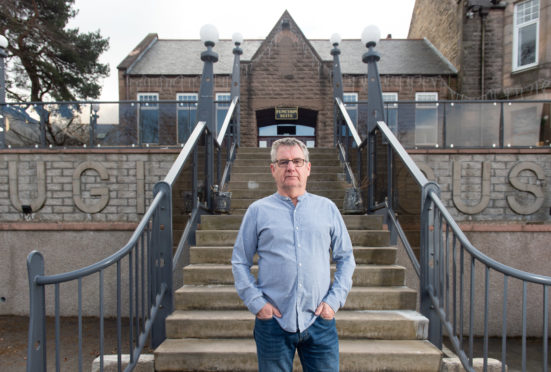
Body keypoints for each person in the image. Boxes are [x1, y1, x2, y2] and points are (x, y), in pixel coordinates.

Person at [231, 138, 356, 372]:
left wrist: (333, 302)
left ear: (307, 168)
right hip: (274, 323)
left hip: (319, 321)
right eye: (283, 162)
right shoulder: (257, 211)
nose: (291, 167)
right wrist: (258, 304)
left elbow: (346, 258)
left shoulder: (327, 208)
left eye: (297, 161)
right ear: (273, 169)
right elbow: (239, 261)